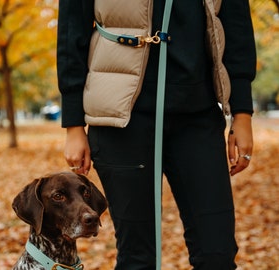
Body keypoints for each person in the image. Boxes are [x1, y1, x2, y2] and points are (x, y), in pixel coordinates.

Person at [56, 0, 256, 269]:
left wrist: (242, 113)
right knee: (137, 257)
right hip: (121, 120)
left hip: (198, 116)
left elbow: (237, 26)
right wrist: (74, 125)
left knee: (216, 254)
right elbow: (72, 30)